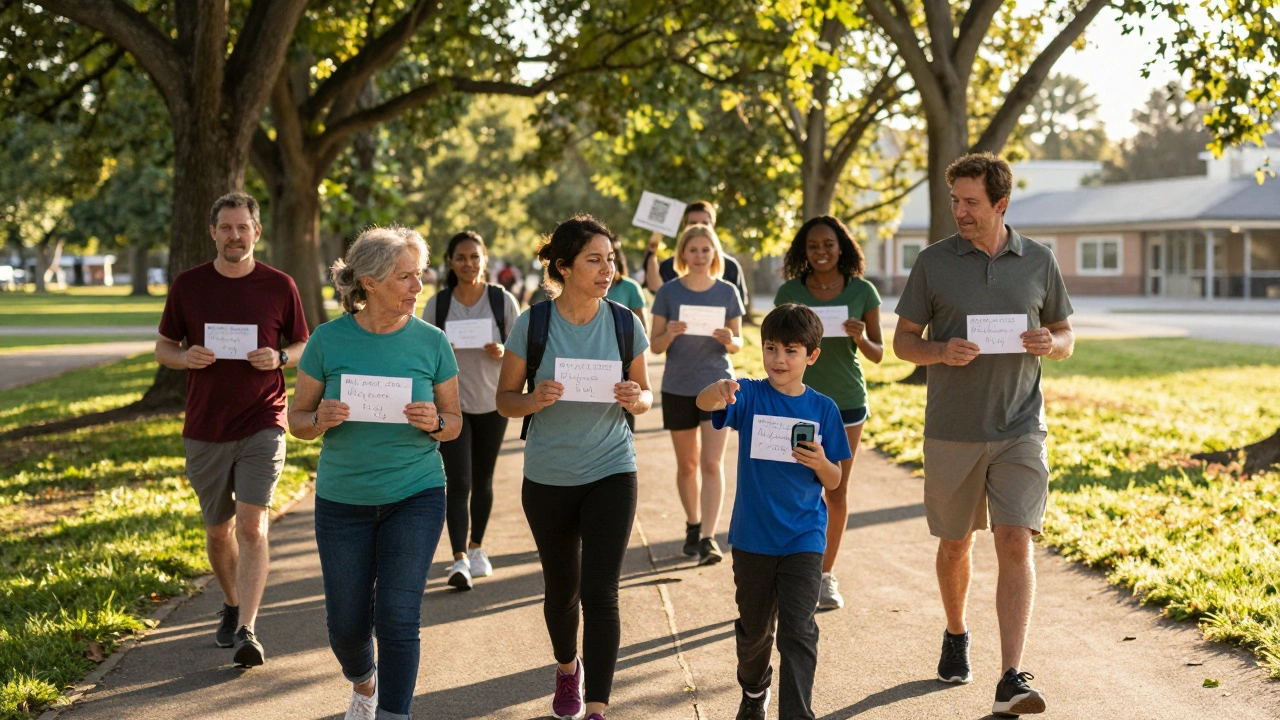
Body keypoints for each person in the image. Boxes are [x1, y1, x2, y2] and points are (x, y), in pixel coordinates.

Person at [893, 152, 1074, 717]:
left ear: (1001, 204)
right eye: (955, 201)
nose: (960, 212)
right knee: (955, 542)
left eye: (971, 203)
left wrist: (1052, 342)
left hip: (1021, 425)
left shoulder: (1039, 261)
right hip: (954, 429)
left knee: (1015, 539)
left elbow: (1066, 332)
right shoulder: (932, 263)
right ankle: (955, 631)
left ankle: (1010, 676)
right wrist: (939, 352)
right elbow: (902, 342)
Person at [288, 226, 462, 720]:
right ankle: (365, 686)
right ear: (368, 282)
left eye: (419, 275)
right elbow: (296, 419)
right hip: (343, 501)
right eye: (405, 277)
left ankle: (393, 714)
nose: (417, 286)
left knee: (398, 616)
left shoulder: (432, 342)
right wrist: (318, 420)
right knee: (346, 624)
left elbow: (455, 422)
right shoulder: (327, 340)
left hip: (416, 492)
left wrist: (437, 422)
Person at [496, 215, 653, 720]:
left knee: (601, 592)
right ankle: (568, 670)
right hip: (548, 477)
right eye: (594, 260)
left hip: (611, 469)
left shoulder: (626, 322)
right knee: (562, 590)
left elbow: (645, 397)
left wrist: (637, 397)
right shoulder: (533, 323)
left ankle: (598, 709)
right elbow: (504, 401)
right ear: (563, 267)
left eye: (610, 259)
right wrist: (534, 399)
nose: (607, 268)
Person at [155, 191, 309, 667]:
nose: (235, 235)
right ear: (213, 232)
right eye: (226, 227)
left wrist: (280, 357)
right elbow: (163, 346)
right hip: (205, 425)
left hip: (263, 419)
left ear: (256, 232)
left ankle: (247, 629)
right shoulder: (188, 285)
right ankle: (230, 601)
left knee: (251, 526)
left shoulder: (280, 285)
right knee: (218, 530)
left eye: (243, 227)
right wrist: (185, 358)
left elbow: (303, 343)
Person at [695, 303, 851, 720]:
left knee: (799, 632)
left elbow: (835, 481)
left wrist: (820, 463)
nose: (779, 359)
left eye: (792, 350)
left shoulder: (824, 410)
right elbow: (703, 401)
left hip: (803, 536)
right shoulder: (748, 394)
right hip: (752, 537)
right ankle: (754, 689)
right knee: (753, 631)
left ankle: (797, 713)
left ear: (812, 356)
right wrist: (718, 390)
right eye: (771, 348)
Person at [774, 216, 883, 610]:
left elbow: (878, 354)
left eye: (829, 245)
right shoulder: (789, 291)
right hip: (798, 402)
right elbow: (777, 345)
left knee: (834, 490)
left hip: (847, 405)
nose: (821, 252)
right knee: (793, 487)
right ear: (804, 251)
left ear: (843, 248)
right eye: (814, 246)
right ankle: (789, 571)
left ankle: (823, 576)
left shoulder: (862, 291)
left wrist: (860, 336)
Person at [423, 231, 520, 591]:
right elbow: (424, 353)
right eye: (461, 258)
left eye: (475, 257)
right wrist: (440, 350)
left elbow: (522, 349)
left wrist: (503, 350)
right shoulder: (439, 304)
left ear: (485, 259)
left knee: (483, 480)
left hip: (492, 402)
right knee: (458, 481)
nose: (468, 264)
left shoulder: (501, 300)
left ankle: (477, 548)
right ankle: (459, 559)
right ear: (450, 262)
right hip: (452, 406)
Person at [650, 223, 744, 565]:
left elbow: (738, 343)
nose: (700, 256)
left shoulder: (727, 292)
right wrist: (670, 334)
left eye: (706, 250)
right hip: (677, 387)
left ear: (715, 254)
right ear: (683, 254)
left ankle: (709, 537)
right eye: (693, 250)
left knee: (711, 463)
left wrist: (728, 341)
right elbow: (655, 346)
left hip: (717, 385)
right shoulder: (669, 292)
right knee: (688, 465)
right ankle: (693, 524)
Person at [641, 200, 749, 309]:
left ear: (713, 225)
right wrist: (652, 251)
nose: (699, 227)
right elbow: (656, 291)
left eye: (705, 223)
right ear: (684, 226)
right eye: (693, 223)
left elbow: (736, 310)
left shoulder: (731, 267)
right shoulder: (669, 266)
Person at [606, 239, 649, 433]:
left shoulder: (630, 288)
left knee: (623, 429)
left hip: (622, 368)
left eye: (609, 258)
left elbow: (641, 330)